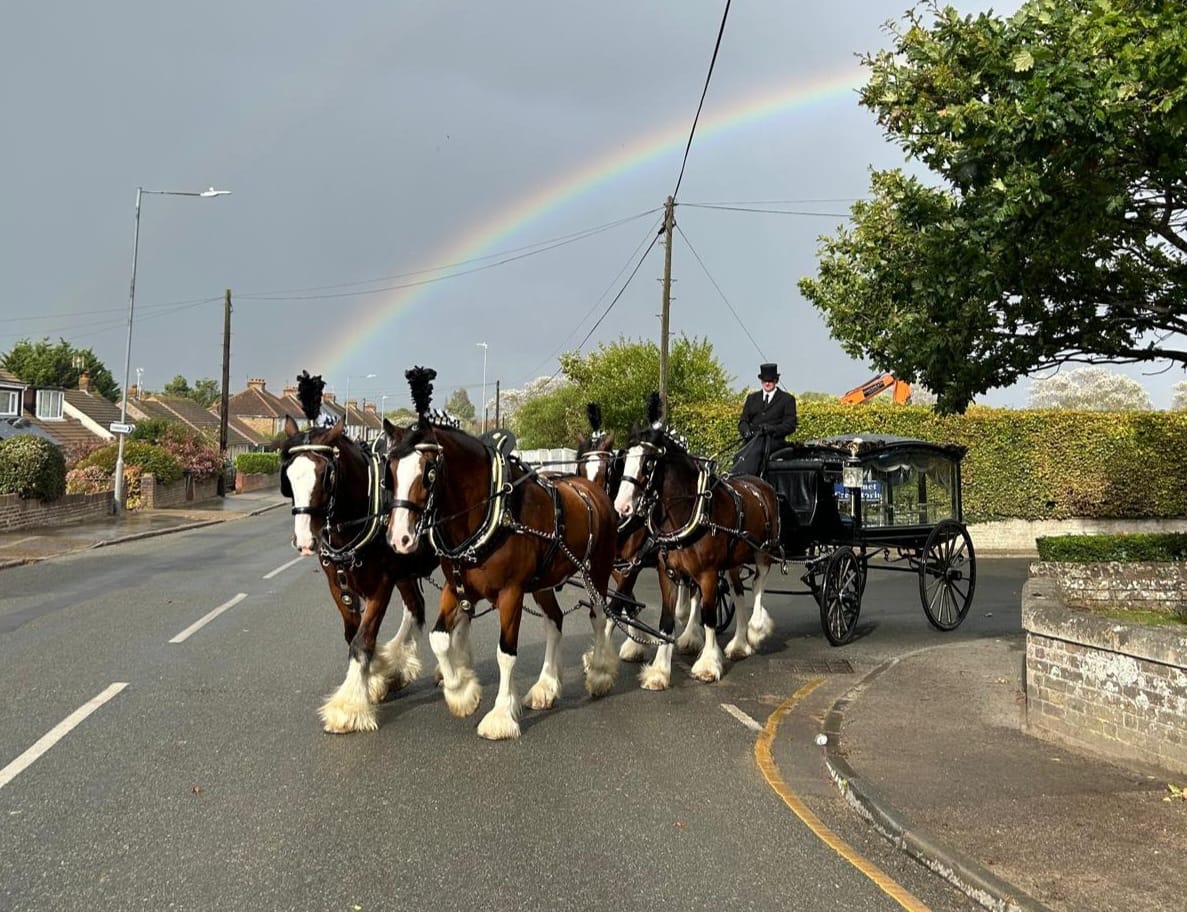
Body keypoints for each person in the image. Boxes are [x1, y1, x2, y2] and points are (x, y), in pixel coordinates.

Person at [731, 362, 797, 475]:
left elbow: (790, 425)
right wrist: (746, 431)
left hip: (773, 440)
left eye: (770, 380)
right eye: (765, 380)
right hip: (753, 439)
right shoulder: (752, 398)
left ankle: (749, 481)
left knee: (754, 453)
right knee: (739, 455)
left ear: (776, 381)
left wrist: (772, 429)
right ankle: (734, 479)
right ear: (761, 381)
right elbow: (743, 421)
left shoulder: (787, 399)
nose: (767, 383)